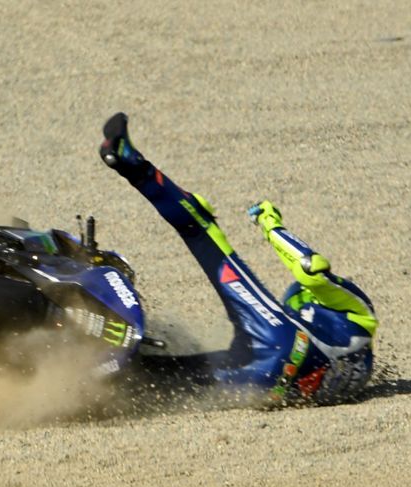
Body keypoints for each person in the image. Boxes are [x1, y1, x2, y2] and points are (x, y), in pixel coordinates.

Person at [99, 112, 378, 406]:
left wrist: (272, 226)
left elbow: (313, 270)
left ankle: (130, 162)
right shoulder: (360, 369)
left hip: (284, 342)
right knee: (163, 378)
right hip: (273, 386)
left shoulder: (361, 313)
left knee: (200, 225)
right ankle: (81, 387)